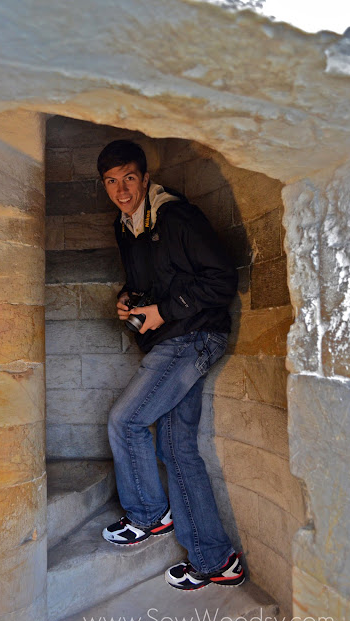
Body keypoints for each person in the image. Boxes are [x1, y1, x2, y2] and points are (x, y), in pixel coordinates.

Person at [97, 139, 245, 591]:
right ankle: (216, 560)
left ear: (144, 178)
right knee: (177, 449)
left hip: (194, 336)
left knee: (126, 422)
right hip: (173, 337)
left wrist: (166, 310)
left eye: (128, 178)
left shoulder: (177, 217)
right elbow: (146, 281)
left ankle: (147, 515)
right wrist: (129, 300)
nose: (121, 190)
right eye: (111, 182)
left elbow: (222, 278)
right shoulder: (126, 227)